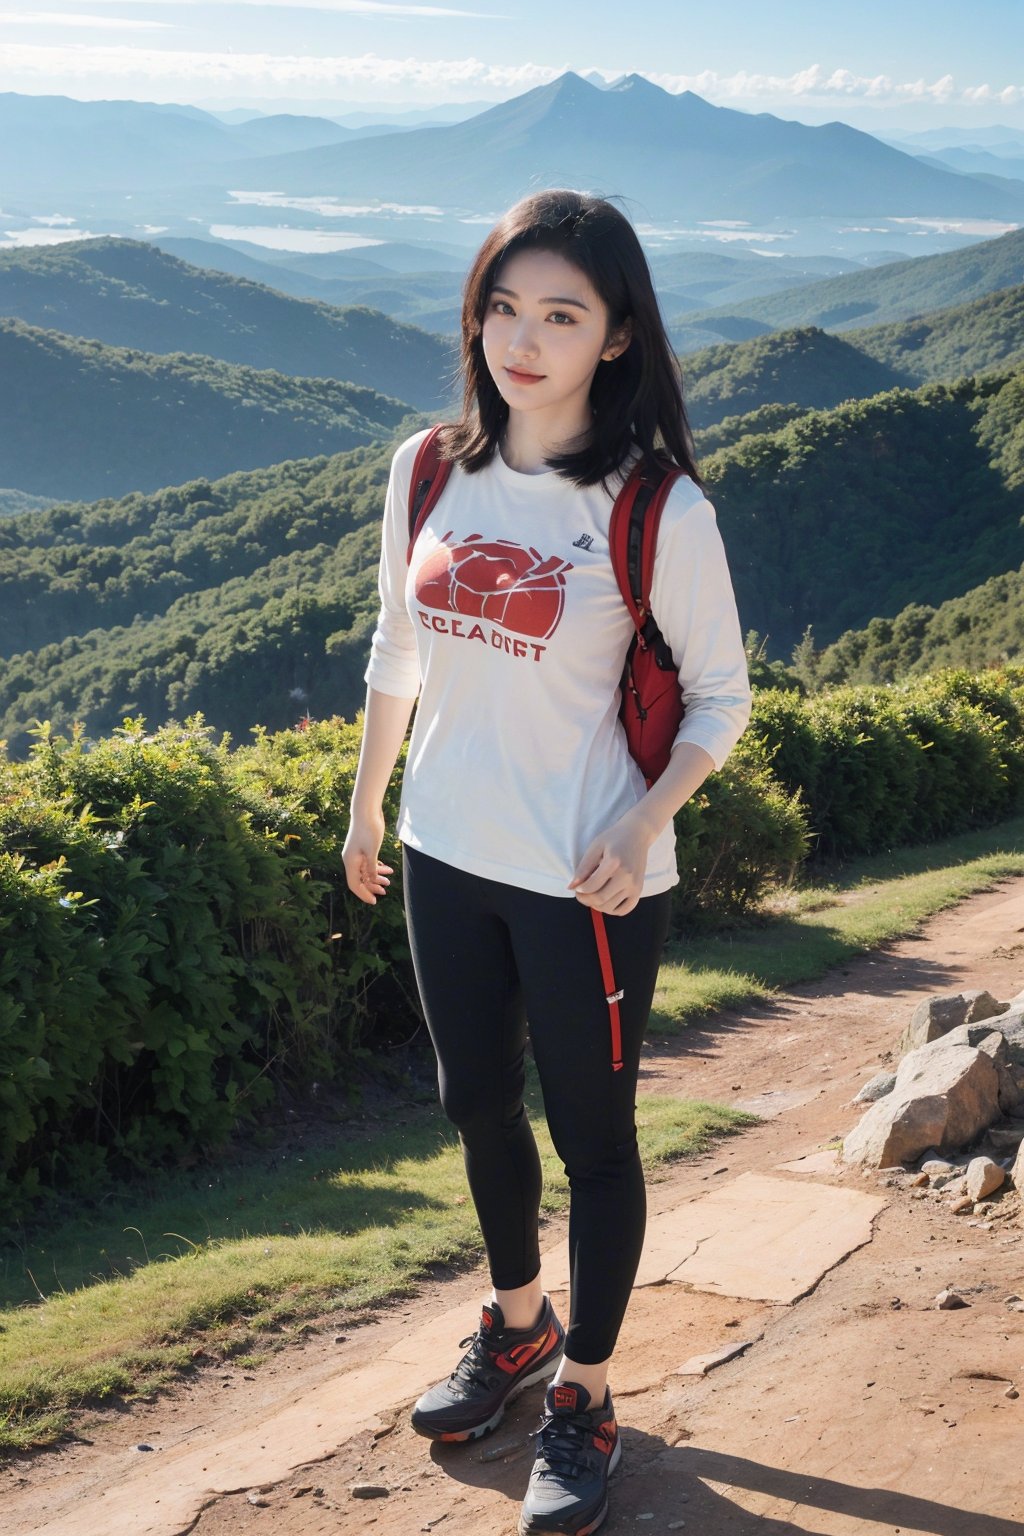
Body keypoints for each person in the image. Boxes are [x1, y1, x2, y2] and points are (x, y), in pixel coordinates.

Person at [342, 187, 752, 1536]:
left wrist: (641, 827)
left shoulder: (654, 508)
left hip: (586, 877)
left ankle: (584, 1392)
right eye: (503, 305)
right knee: (472, 1104)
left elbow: (720, 701)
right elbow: (398, 655)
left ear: (616, 337)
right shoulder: (428, 469)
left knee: (595, 1138)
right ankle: (517, 1325)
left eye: (560, 314)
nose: (522, 337)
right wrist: (366, 808)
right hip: (445, 851)